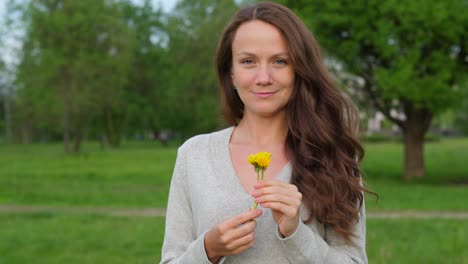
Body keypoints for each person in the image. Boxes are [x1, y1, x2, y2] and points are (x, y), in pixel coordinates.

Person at [160, 2, 373, 263]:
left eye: (280, 61)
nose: (263, 77)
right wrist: (208, 250)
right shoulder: (193, 155)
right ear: (231, 73)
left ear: (299, 70)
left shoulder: (334, 155)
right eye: (248, 61)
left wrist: (297, 233)